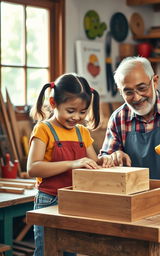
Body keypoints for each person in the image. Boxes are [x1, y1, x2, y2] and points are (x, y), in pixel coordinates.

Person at [27, 73, 114, 256]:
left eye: (82, 112)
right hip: (49, 200)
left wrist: (104, 160)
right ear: (53, 103)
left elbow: (92, 162)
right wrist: (73, 164)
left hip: (75, 200)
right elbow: (33, 168)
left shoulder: (82, 132)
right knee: (47, 250)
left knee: (71, 249)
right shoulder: (44, 129)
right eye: (71, 110)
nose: (76, 117)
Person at [100, 56, 160, 180]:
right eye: (128, 92)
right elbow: (104, 161)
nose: (136, 98)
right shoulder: (118, 118)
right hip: (135, 195)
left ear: (155, 81)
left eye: (142, 88)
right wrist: (113, 157)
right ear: (120, 91)